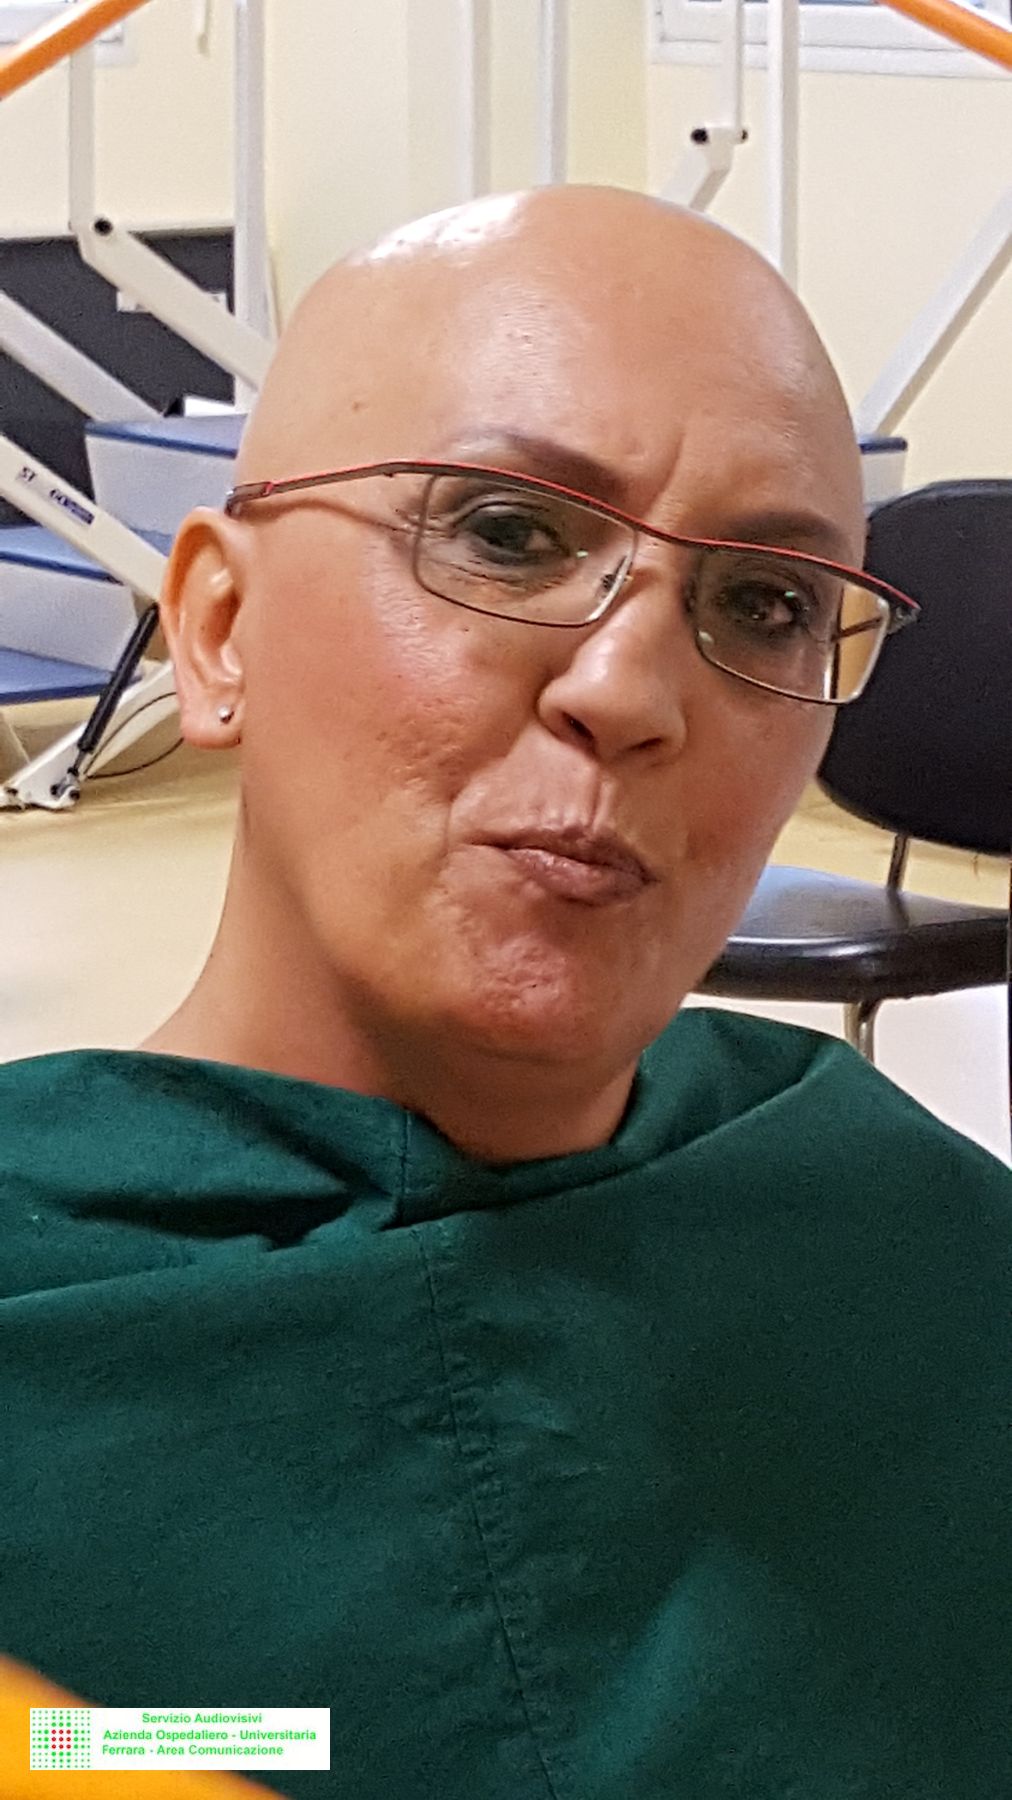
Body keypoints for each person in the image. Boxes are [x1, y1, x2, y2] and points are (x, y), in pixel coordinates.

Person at [1, 187, 1009, 1799]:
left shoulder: (916, 1256)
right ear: (220, 628)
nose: (629, 689)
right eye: (508, 533)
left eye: (764, 604)